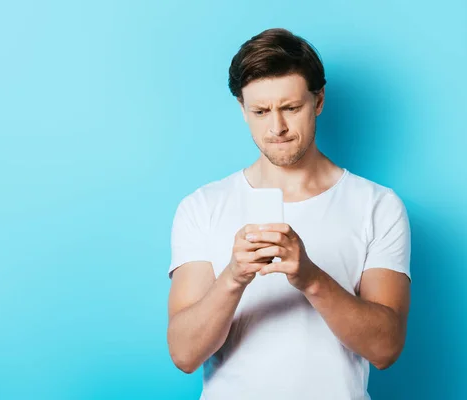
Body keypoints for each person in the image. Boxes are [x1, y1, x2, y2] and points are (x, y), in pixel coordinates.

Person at [167, 28, 411, 400]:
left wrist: (310, 277)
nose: (276, 127)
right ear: (242, 111)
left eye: (290, 108)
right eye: (260, 111)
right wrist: (234, 277)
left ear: (319, 100)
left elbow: (386, 349)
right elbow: (184, 355)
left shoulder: (377, 205)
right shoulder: (202, 206)